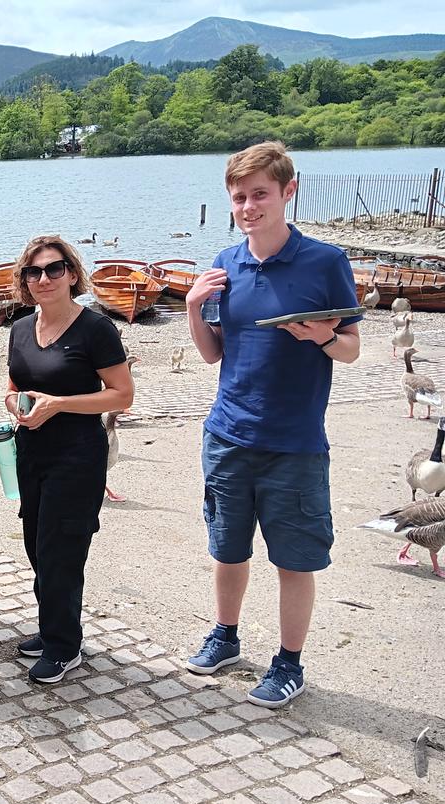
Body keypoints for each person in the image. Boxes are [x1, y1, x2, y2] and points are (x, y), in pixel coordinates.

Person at [183, 141, 361, 708]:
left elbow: (352, 348)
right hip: (228, 434)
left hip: (294, 443)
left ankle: (289, 663)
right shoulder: (224, 264)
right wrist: (192, 306)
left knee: (293, 558)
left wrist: (323, 337)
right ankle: (226, 636)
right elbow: (212, 354)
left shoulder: (326, 262)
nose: (248, 207)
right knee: (227, 548)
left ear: (288, 191)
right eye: (239, 197)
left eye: (259, 194)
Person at [4, 235, 134, 685]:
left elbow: (122, 395)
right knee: (37, 546)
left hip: (77, 456)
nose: (43, 278)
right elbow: (13, 384)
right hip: (32, 453)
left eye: (54, 269)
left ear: (72, 274)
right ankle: (53, 627)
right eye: (33, 272)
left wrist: (58, 404)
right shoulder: (21, 328)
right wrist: (14, 402)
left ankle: (64, 646)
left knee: (62, 551)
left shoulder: (96, 328)